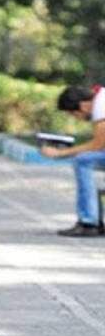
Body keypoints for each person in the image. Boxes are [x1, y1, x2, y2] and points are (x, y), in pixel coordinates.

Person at [41, 85, 105, 236]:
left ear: (83, 106)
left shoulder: (101, 105)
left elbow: (97, 145)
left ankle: (89, 222)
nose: (76, 118)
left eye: (73, 114)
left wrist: (60, 152)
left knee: (82, 161)